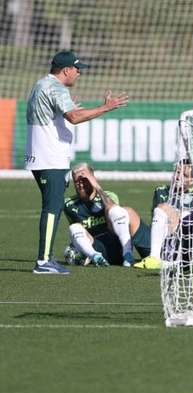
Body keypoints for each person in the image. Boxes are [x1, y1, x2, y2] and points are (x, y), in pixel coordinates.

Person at [26, 50, 128, 274]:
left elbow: (52, 116)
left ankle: (46, 259)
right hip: (49, 158)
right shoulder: (55, 87)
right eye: (77, 68)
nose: (79, 73)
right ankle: (44, 261)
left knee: (51, 208)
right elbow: (73, 117)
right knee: (52, 209)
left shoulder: (41, 85)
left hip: (42, 156)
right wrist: (105, 107)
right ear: (66, 70)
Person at [63, 163, 151, 266]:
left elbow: (113, 210)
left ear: (92, 178)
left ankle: (127, 254)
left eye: (83, 179)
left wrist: (96, 186)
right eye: (76, 181)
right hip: (97, 248)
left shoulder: (108, 196)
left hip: (117, 245)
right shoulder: (69, 204)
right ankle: (95, 257)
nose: (80, 184)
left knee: (118, 210)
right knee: (74, 227)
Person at [133, 159, 193, 269]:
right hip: (162, 240)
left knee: (187, 215)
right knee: (162, 209)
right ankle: (154, 258)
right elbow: (162, 210)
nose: (178, 177)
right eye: (177, 172)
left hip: (182, 245)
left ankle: (178, 262)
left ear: (192, 181)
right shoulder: (162, 191)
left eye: (184, 175)